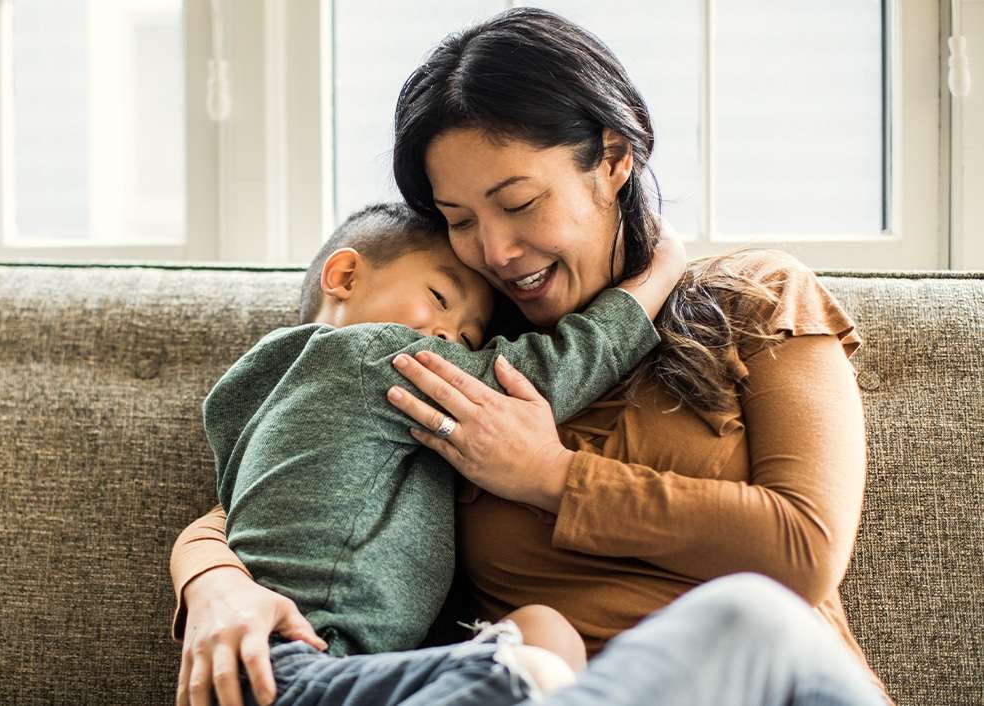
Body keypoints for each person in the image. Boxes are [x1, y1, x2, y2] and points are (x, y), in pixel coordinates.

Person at [169, 8, 892, 706]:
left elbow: (804, 549)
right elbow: (273, 484)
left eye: (517, 203)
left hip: (770, 680)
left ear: (614, 158)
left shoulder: (755, 296)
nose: (495, 251)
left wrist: (550, 476)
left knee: (749, 616)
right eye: (459, 221)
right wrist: (215, 585)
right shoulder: (463, 359)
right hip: (539, 689)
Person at [200, 200, 682, 700]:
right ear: (344, 275)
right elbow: (540, 376)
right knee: (527, 666)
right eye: (439, 297)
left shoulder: (255, 394)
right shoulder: (370, 354)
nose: (449, 336)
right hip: (305, 660)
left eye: (469, 338)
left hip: (270, 665)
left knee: (542, 632)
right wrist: (657, 272)